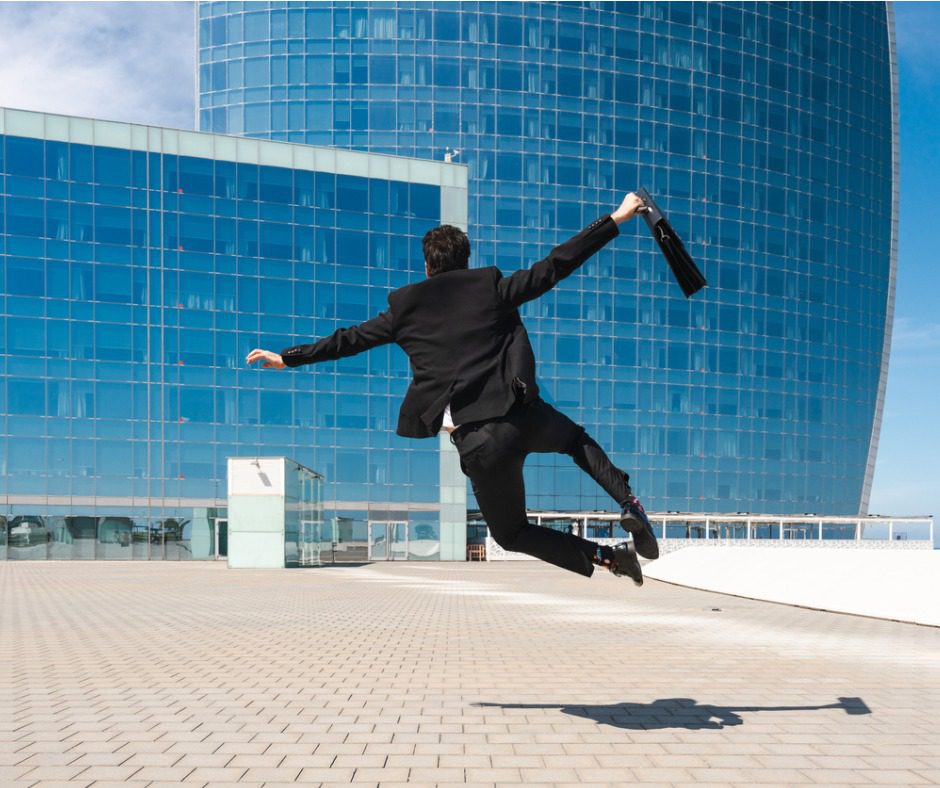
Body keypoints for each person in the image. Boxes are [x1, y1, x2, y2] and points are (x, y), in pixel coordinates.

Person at [247, 192, 659, 585]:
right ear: (466, 260)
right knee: (575, 441)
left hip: (480, 443)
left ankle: (609, 558)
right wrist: (617, 218)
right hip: (524, 417)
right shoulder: (492, 288)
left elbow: (349, 340)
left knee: (511, 533)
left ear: (427, 267)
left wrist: (290, 357)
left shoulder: (403, 310)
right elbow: (555, 265)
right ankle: (629, 504)